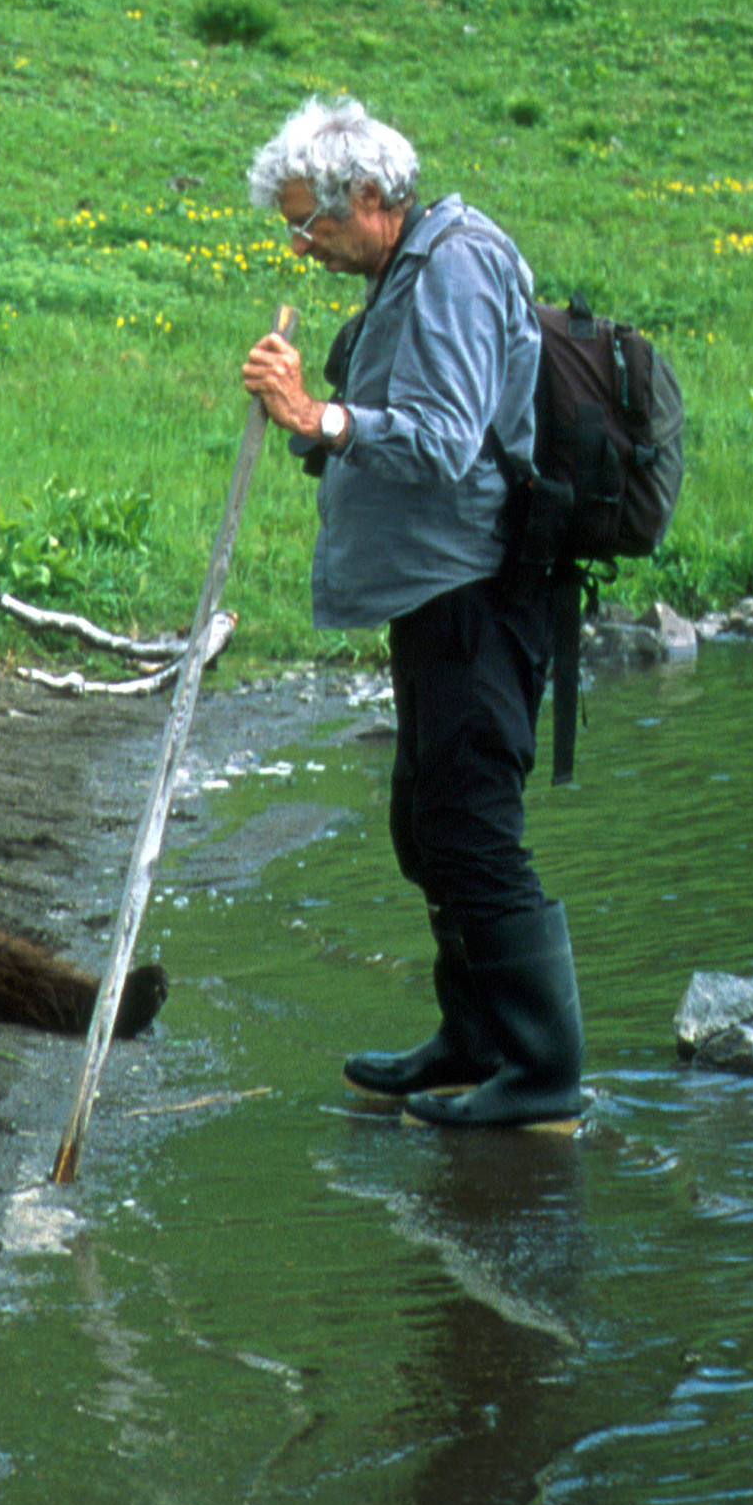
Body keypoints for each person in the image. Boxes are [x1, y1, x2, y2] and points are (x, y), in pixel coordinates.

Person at [239, 95, 583, 1130]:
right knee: (425, 826)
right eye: (293, 225)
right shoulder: (406, 269)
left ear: (376, 199)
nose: (302, 245)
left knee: (473, 830)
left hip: (477, 589)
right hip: (428, 591)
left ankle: (544, 1074)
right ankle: (470, 1040)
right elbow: (395, 416)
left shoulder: (456, 268)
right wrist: (307, 416)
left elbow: (442, 440)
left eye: (312, 223)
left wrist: (315, 414)